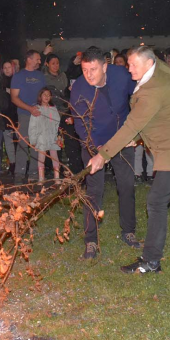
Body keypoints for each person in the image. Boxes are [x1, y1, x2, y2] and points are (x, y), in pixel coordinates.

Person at [87, 46, 170, 274]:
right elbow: (150, 121)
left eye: (134, 64)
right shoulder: (161, 73)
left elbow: (133, 124)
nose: (129, 68)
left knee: (156, 201)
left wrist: (102, 155)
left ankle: (151, 260)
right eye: (128, 64)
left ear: (149, 63)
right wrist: (135, 140)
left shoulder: (152, 90)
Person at [70, 48, 139, 259]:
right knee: (93, 191)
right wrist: (94, 146)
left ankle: (128, 231)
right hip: (94, 143)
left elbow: (140, 96)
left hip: (122, 141)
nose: (88, 75)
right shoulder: (79, 89)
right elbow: (81, 124)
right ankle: (91, 240)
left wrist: (136, 129)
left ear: (105, 66)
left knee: (126, 185)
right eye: (84, 69)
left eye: (93, 69)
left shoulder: (121, 75)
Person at [10, 50, 46, 184]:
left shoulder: (41, 76)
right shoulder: (19, 76)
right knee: (23, 144)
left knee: (37, 145)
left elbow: (45, 95)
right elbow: (14, 98)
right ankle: (19, 173)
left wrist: (42, 109)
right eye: (37, 59)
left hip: (39, 114)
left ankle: (34, 173)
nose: (39, 61)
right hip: (24, 115)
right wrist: (30, 108)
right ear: (29, 59)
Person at [28, 88, 61, 182]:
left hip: (52, 136)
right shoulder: (36, 109)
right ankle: (41, 178)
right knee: (41, 158)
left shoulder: (53, 110)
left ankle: (57, 177)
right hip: (41, 137)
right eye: (44, 95)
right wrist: (33, 140)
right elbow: (32, 126)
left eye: (48, 95)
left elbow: (57, 123)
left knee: (55, 157)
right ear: (40, 96)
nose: (46, 97)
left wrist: (58, 136)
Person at [0, 60, 18, 173]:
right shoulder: (0, 82)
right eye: (4, 67)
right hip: (5, 115)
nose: (7, 69)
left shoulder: (18, 80)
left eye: (9, 67)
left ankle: (20, 163)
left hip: (17, 113)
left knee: (19, 141)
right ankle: (12, 163)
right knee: (8, 141)